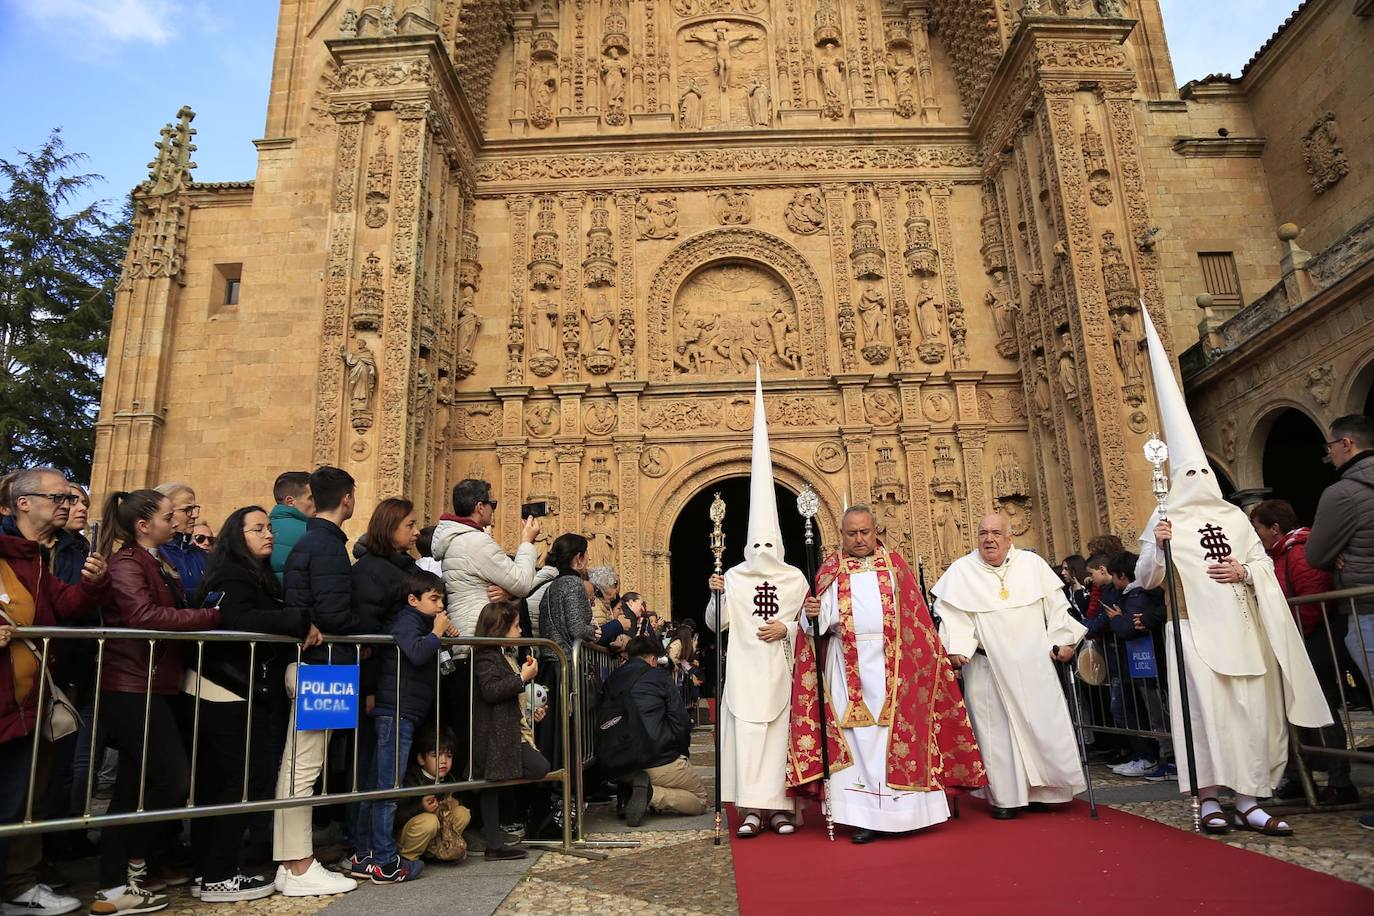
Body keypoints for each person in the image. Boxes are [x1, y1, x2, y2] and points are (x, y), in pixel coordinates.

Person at [1133, 303, 1328, 837]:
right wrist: (1158, 544)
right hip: (1193, 631)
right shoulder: (1163, 515)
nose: (1195, 475)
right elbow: (1147, 578)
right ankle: (1210, 796)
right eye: (1187, 469)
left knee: (1251, 711)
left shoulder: (1235, 518)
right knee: (1207, 715)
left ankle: (1252, 796)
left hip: (1243, 626)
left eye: (1201, 469)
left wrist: (1246, 573)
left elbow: (1264, 566)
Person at [788, 505, 986, 843]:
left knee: (896, 733)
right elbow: (814, 627)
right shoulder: (829, 570)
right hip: (845, 663)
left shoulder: (895, 567)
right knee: (858, 740)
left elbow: (917, 617)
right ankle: (865, 816)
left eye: (865, 532)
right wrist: (811, 615)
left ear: (875, 530)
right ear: (841, 535)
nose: (859, 539)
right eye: (852, 533)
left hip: (894, 664)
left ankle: (909, 812)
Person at [93, 489, 222, 914]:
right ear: (143, 525)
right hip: (132, 684)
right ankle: (129, 865)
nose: (178, 521)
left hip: (154, 683)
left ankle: (116, 882)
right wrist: (209, 618)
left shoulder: (157, 560)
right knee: (169, 778)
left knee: (135, 784)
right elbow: (143, 616)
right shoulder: (130, 562)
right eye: (169, 516)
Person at [187, 507, 316, 904]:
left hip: (234, 687)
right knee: (241, 779)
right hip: (227, 687)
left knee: (226, 780)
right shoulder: (232, 574)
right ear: (236, 534)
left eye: (269, 528)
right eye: (258, 528)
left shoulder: (247, 574)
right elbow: (239, 619)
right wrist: (298, 619)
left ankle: (209, 868)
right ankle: (219, 874)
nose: (268, 535)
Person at [0, 473, 109, 916]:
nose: (68, 502)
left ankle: (19, 885)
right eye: (58, 496)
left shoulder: (38, 558)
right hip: (7, 698)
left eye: (70, 496)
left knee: (26, 794)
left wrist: (93, 583)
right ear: (24, 503)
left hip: (32, 699)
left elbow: (66, 606)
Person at [706, 367, 806, 838]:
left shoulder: (794, 577)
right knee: (748, 738)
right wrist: (715, 593)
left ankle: (783, 807)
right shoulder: (734, 576)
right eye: (757, 545)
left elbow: (815, 618)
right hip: (746, 670)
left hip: (783, 671)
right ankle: (750, 807)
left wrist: (789, 628)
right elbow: (716, 624)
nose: (764, 554)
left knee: (783, 737)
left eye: (770, 544)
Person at [934, 513, 1087, 819]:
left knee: (1041, 726)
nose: (988, 539)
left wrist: (1065, 641)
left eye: (995, 533)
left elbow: (1056, 608)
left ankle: (1048, 791)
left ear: (1009, 537)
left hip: (1034, 664)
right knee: (998, 736)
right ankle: (1007, 798)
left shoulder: (1033, 566)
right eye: (983, 533)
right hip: (987, 665)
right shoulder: (962, 571)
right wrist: (958, 647)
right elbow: (951, 614)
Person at [272, 466, 359, 897]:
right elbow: (335, 614)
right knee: (302, 766)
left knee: (302, 764)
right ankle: (297, 864)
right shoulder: (325, 546)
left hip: (320, 663)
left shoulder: (314, 542)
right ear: (347, 499)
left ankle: (294, 862)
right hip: (324, 667)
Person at [1251, 499, 1357, 805]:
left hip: (1311, 642)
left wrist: (1290, 633)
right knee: (1293, 712)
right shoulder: (1277, 555)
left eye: (1258, 527)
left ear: (1274, 528)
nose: (1255, 533)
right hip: (1295, 642)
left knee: (1321, 708)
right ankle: (1300, 776)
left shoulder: (1297, 552)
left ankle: (1339, 781)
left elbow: (1310, 601)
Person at [342, 498, 420, 877]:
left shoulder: (397, 568)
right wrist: (370, 690)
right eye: (409, 524)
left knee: (377, 772)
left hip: (395, 684)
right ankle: (374, 854)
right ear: (389, 528)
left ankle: (367, 850)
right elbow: (368, 638)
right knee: (377, 775)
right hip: (383, 685)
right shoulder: (374, 572)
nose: (416, 530)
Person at [362, 571, 453, 883]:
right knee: (388, 788)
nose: (441, 605)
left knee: (379, 784)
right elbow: (415, 652)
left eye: (442, 599)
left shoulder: (421, 623)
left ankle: (365, 853)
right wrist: (435, 634)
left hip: (404, 712)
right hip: (396, 712)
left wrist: (439, 635)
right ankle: (385, 860)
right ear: (413, 600)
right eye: (434, 599)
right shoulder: (407, 620)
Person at [1306, 415, 1374, 721]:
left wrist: (1336, 553)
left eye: (1330, 445)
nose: (1328, 453)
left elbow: (1316, 554)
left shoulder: (1341, 493)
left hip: (1366, 607)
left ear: (1347, 443)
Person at [473, 601, 550, 860]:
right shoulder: (486, 656)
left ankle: (495, 842)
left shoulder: (505, 655)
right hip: (496, 734)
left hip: (508, 730)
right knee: (501, 780)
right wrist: (522, 678)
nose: (520, 631)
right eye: (516, 626)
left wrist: (530, 711)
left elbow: (512, 696)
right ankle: (494, 843)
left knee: (495, 783)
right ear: (500, 629)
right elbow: (492, 690)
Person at [603, 635, 705, 826]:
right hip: (657, 758)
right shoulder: (659, 677)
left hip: (618, 763)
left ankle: (631, 788)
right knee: (700, 800)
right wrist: (681, 753)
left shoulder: (612, 678)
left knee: (642, 773)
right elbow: (681, 721)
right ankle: (650, 794)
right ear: (652, 659)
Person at [432, 479, 542, 647]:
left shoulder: (457, 537)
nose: (493, 510)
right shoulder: (475, 541)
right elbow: (522, 582)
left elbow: (479, 583)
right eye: (493, 504)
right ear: (480, 507)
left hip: (469, 630)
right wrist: (527, 541)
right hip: (478, 635)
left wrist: (508, 593)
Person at [394, 724, 471, 864]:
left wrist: (456, 802)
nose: (443, 761)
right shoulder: (411, 779)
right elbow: (396, 815)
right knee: (429, 821)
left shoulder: (450, 779)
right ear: (421, 759)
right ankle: (408, 858)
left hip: (436, 836)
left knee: (462, 812)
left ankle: (439, 851)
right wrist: (421, 807)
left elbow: (466, 800)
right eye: (436, 755)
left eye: (448, 756)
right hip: (407, 836)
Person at [154, 482, 208, 596]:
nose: (195, 515)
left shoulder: (200, 554)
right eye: (187, 509)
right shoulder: (152, 554)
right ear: (166, 513)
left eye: (194, 508)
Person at [269, 472, 314, 585]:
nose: (317, 503)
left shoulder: (260, 531)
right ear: (290, 502)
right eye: (311, 498)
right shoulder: (311, 533)